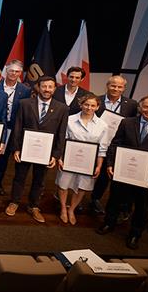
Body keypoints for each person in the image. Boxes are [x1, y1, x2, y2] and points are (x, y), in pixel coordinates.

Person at [96, 94, 148, 250]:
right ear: (140, 107)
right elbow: (114, 145)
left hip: (146, 178)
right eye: (146, 106)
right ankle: (108, 223)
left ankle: (135, 234)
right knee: (114, 200)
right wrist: (110, 164)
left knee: (142, 208)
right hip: (122, 172)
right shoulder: (127, 123)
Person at [6, 75, 69, 223]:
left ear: (54, 89)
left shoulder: (62, 108)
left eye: (50, 87)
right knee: (19, 177)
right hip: (24, 150)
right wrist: (16, 149)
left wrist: (56, 155)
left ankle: (33, 206)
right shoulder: (25, 104)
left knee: (40, 181)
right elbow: (17, 127)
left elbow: (61, 133)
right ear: (38, 87)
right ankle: (14, 202)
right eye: (44, 86)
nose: (47, 90)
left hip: (45, 153)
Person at [55, 93, 108, 225]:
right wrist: (59, 158)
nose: (89, 108)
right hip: (68, 159)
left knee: (82, 186)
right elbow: (61, 140)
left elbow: (102, 148)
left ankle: (71, 209)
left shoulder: (103, 125)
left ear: (97, 107)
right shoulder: (69, 120)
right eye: (86, 104)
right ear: (81, 105)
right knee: (63, 184)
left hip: (88, 163)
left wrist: (99, 166)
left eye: (93, 105)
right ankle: (63, 208)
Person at [90, 75, 139, 213]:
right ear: (107, 85)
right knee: (95, 173)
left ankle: (113, 204)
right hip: (98, 142)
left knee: (112, 174)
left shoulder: (132, 105)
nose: (115, 89)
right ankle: (94, 199)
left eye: (119, 86)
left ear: (124, 88)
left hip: (118, 144)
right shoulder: (96, 100)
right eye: (113, 85)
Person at [0, 61, 31, 197]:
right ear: (6, 71)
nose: (14, 74)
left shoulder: (25, 90)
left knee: (4, 157)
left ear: (20, 73)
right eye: (11, 71)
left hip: (13, 128)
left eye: (17, 71)